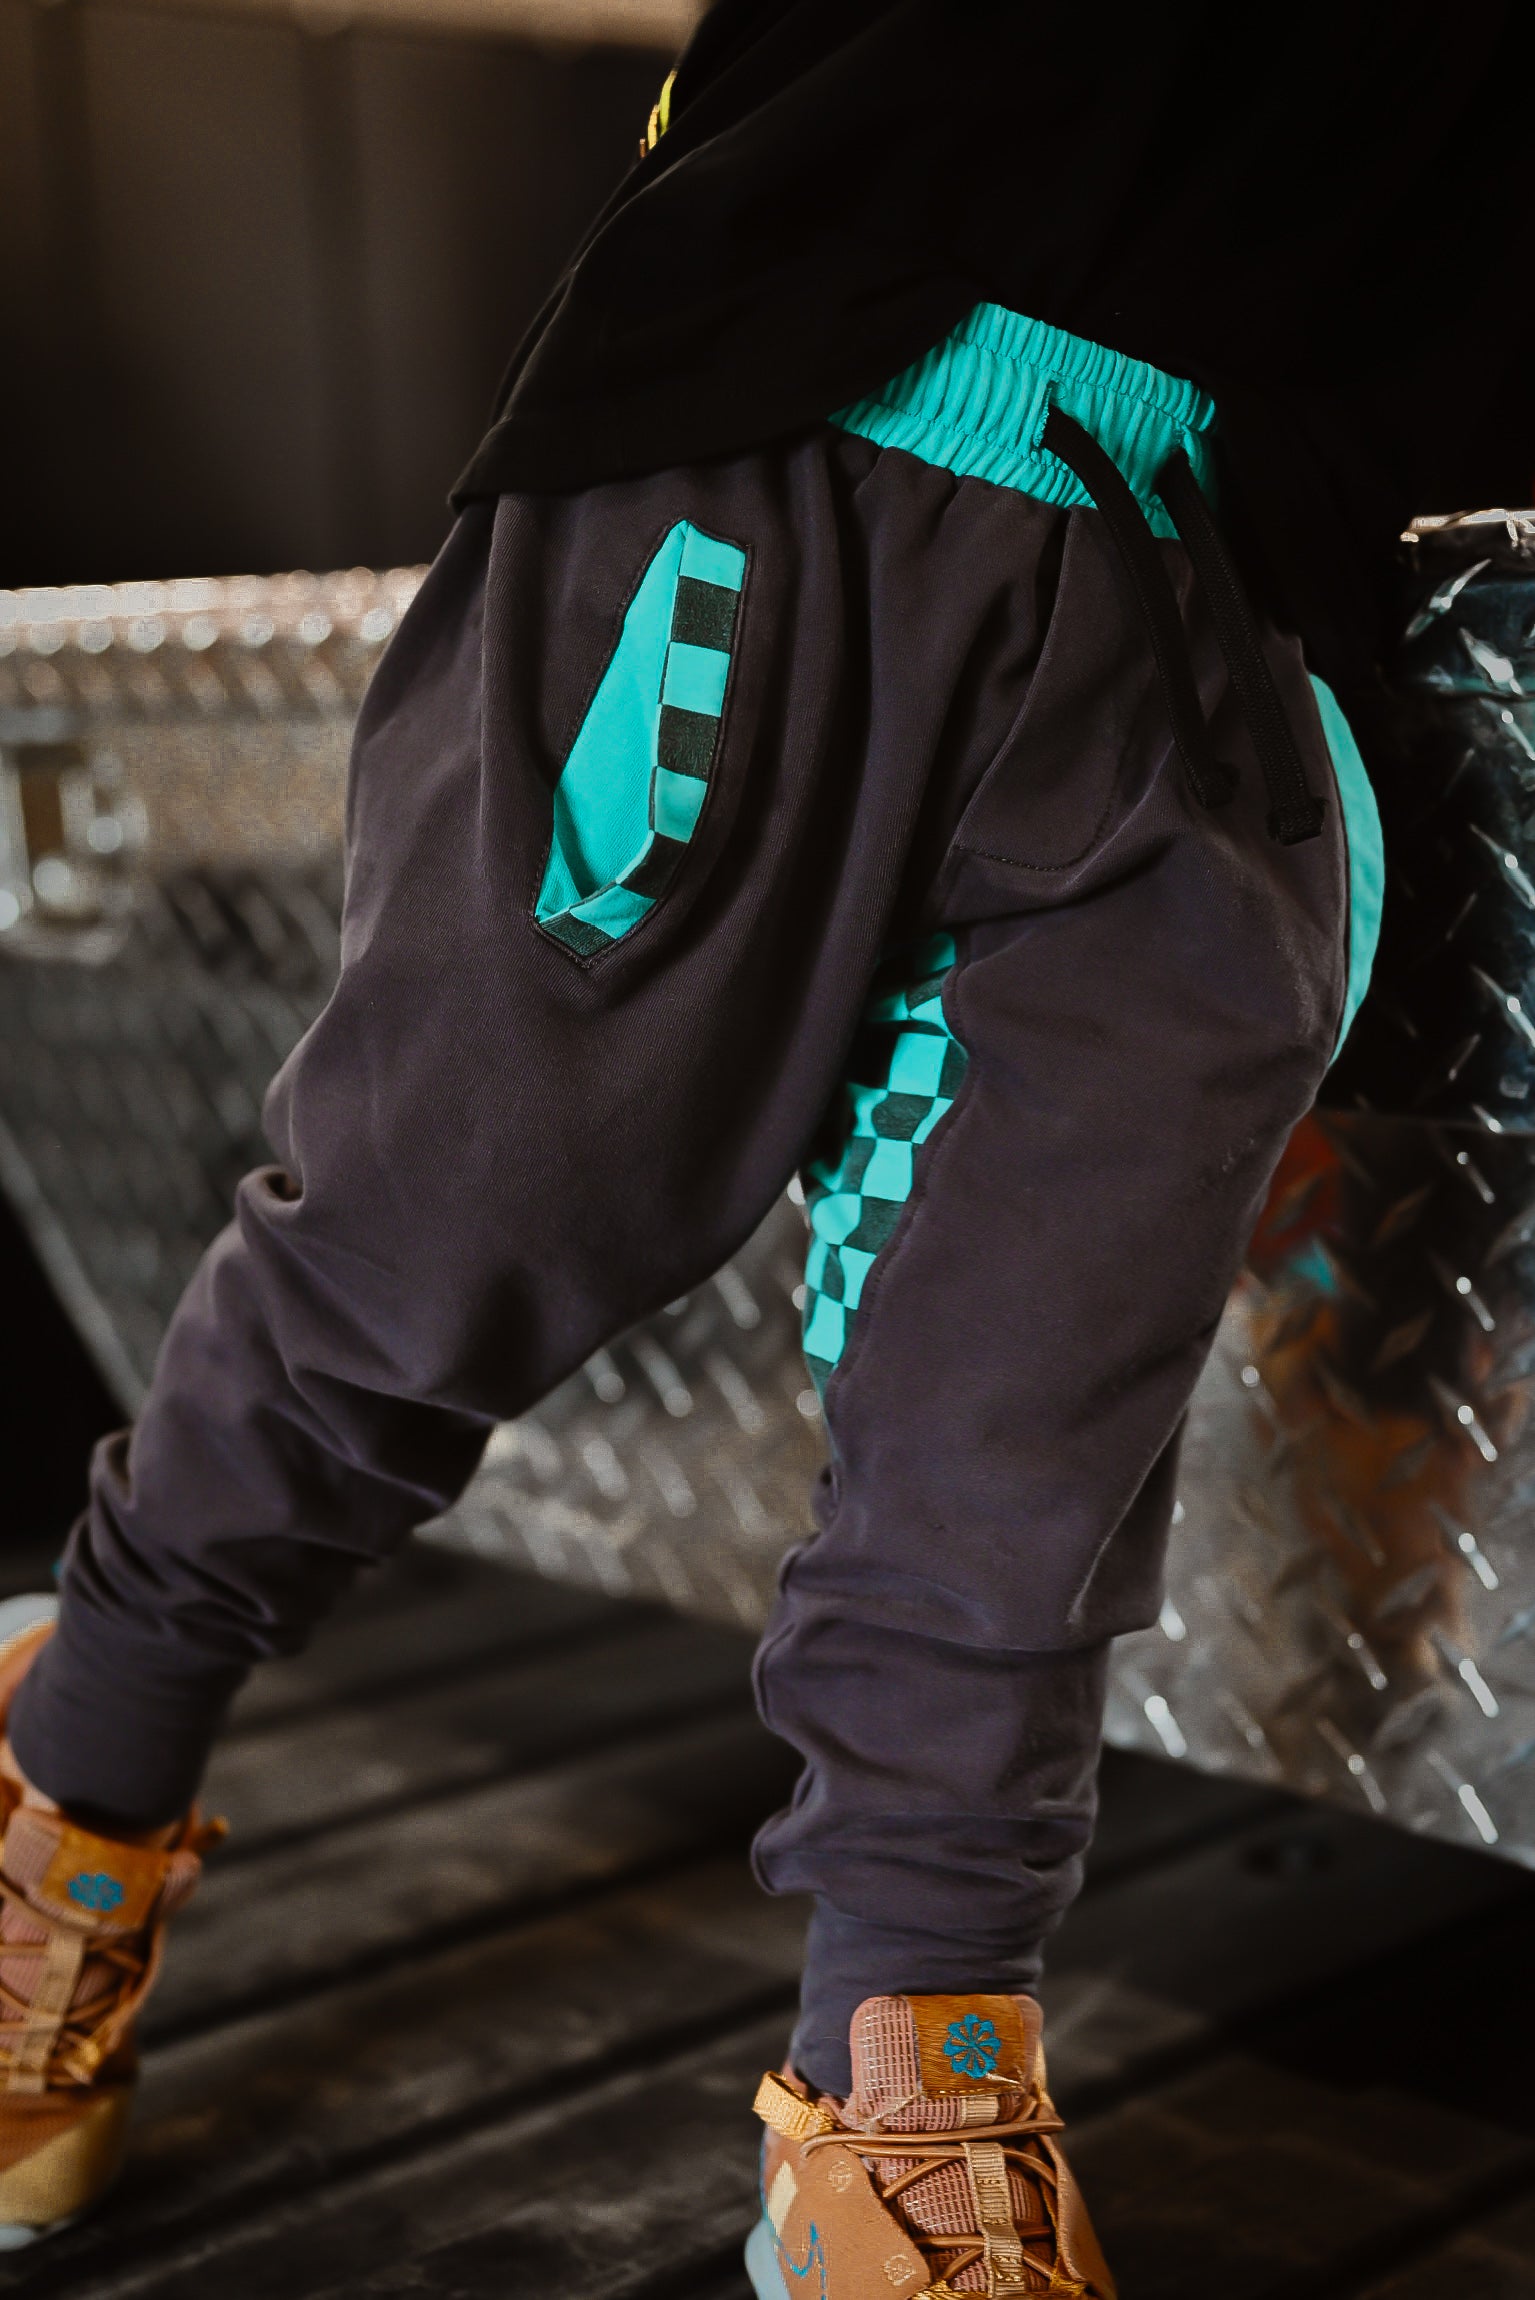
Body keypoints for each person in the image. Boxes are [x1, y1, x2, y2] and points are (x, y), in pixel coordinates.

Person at [0, 2, 1528, 2285]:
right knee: (429, 1245)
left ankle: (912, 2074)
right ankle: (72, 1774)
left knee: (1020, 1420)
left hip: (1210, 586)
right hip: (802, 418)